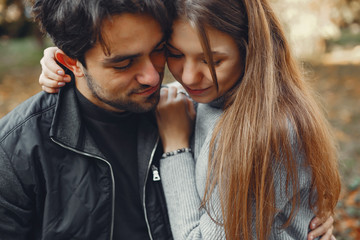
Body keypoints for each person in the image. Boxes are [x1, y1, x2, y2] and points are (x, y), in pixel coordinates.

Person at [38, 1, 340, 240]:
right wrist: (70, 58)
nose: (189, 76)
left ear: (251, 50)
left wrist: (176, 148)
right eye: (175, 54)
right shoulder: (211, 96)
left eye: (212, 60)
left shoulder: (266, 131)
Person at [0, 0, 175, 239]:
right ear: (71, 62)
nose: (153, 77)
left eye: (159, 49)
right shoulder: (14, 150)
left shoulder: (187, 112)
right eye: (123, 64)